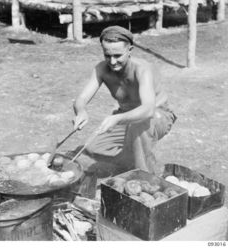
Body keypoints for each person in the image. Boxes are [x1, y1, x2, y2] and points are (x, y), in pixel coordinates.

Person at [72, 26, 176, 175]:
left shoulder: (142, 69)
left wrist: (117, 118)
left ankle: (146, 178)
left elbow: (148, 109)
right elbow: (81, 98)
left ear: (130, 50)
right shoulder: (102, 69)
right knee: (92, 148)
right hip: (127, 116)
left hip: (158, 115)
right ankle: (136, 160)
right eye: (107, 55)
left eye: (117, 55)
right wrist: (80, 111)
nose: (112, 61)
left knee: (138, 126)